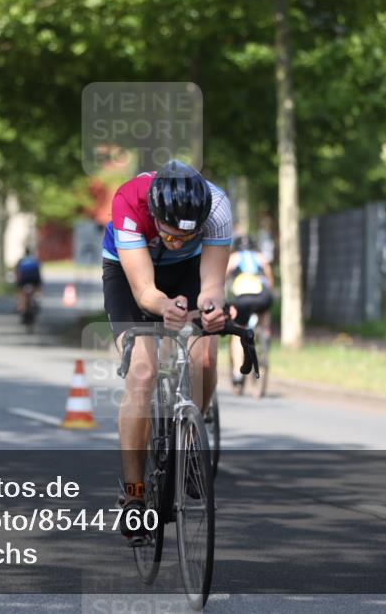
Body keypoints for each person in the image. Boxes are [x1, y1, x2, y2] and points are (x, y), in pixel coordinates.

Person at [102, 159, 232, 546]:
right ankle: (134, 492)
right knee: (142, 372)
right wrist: (164, 308)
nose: (176, 241)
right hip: (131, 273)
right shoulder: (129, 202)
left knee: (206, 355)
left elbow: (211, 285)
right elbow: (144, 292)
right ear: (155, 215)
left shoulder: (219, 207)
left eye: (186, 236)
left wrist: (210, 309)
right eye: (171, 235)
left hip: (188, 272)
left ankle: (189, 443)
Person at [226, 235, 275, 391]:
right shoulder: (260, 257)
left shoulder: (234, 258)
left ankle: (237, 374)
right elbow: (270, 279)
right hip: (263, 296)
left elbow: (222, 278)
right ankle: (265, 333)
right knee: (264, 308)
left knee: (237, 332)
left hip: (243, 299)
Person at [14, 247, 42, 313]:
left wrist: (17, 281)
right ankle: (37, 300)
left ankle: (20, 305)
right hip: (34, 278)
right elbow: (38, 271)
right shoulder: (35, 260)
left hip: (23, 279)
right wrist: (40, 282)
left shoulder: (21, 260)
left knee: (21, 291)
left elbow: (17, 271)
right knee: (36, 289)